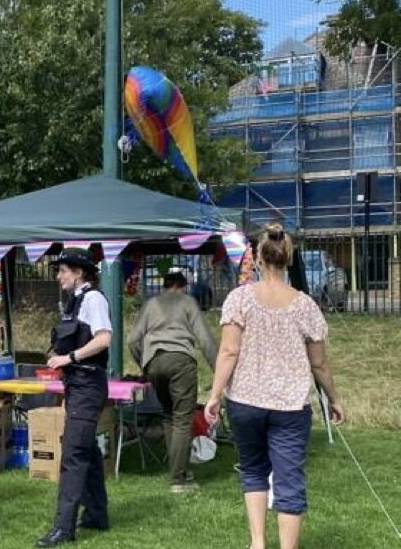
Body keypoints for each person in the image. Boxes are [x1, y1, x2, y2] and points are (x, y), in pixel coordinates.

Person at [205, 225, 344, 549]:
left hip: (245, 401)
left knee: (253, 470)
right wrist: (334, 399)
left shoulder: (239, 299)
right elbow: (320, 364)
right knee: (289, 479)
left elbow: (228, 351)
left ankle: (257, 543)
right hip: (291, 406)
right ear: (288, 257)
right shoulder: (306, 304)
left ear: (255, 259)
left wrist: (213, 396)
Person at [37, 248, 111, 547]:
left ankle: (63, 527)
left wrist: (69, 357)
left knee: (73, 455)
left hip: (87, 383)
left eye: (63, 271)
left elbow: (104, 337)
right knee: (87, 449)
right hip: (78, 384)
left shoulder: (93, 299)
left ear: (79, 273)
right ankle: (96, 514)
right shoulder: (75, 301)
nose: (58, 276)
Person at [127, 270, 218, 493]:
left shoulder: (151, 304)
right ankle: (178, 479)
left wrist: (144, 366)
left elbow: (132, 340)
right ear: (183, 286)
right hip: (180, 361)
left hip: (154, 362)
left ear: (164, 286)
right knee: (182, 418)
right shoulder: (188, 302)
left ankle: (178, 469)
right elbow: (205, 339)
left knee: (168, 415)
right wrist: (219, 370)